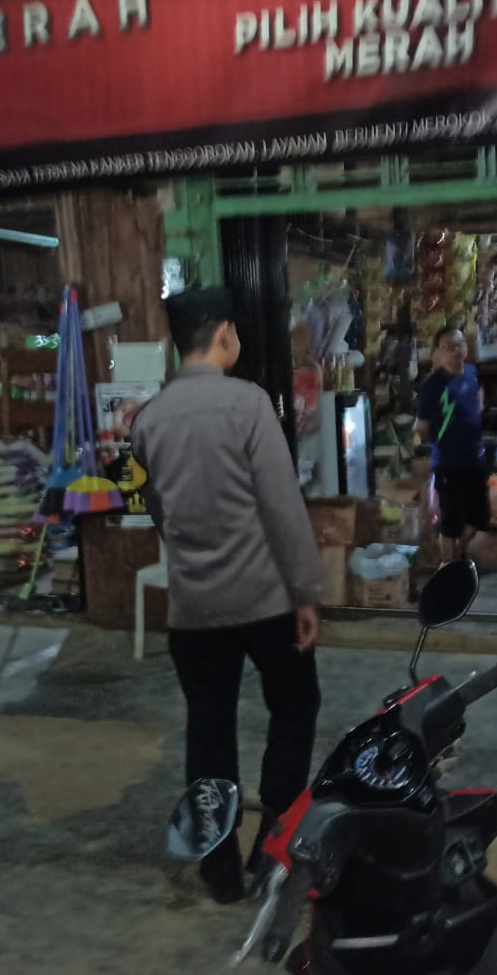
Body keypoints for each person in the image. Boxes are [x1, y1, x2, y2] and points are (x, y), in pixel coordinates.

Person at [131, 286, 324, 904]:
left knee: (208, 730)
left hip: (193, 610)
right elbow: (282, 507)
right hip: (265, 601)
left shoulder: (148, 420)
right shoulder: (248, 404)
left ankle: (218, 870)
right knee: (294, 706)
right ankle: (273, 846)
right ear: (222, 335)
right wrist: (305, 592)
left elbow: (158, 508)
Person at [415, 326, 489, 561]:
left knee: (479, 518)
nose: (454, 351)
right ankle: (450, 568)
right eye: (447, 346)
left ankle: (455, 558)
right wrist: (442, 443)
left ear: (466, 347)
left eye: (458, 345)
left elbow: (475, 405)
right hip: (448, 464)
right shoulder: (432, 387)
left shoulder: (471, 373)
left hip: (474, 458)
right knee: (451, 524)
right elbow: (421, 427)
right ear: (438, 352)